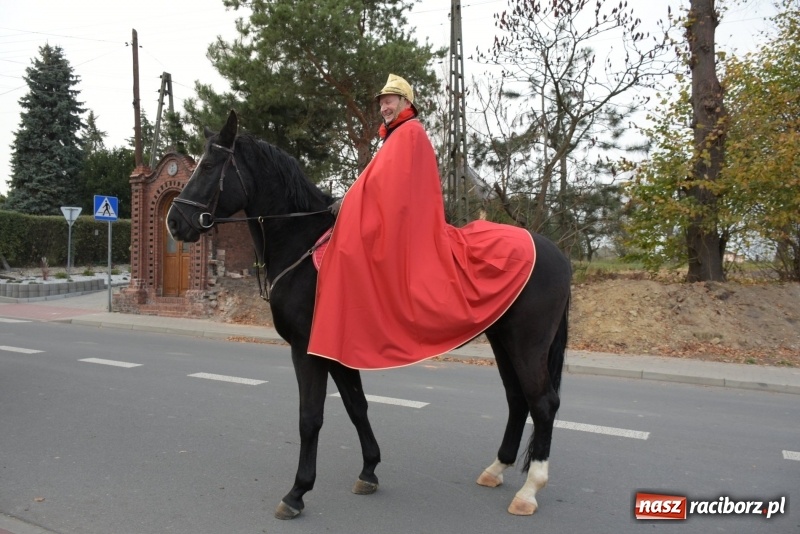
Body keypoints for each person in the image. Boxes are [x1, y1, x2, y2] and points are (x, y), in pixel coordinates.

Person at [307, 74, 535, 370]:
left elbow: (386, 186)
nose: (384, 108)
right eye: (381, 103)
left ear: (405, 102)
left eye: (388, 101)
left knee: (351, 252)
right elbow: (378, 183)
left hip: (411, 225)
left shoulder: (409, 133)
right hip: (399, 219)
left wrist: (349, 203)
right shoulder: (397, 135)